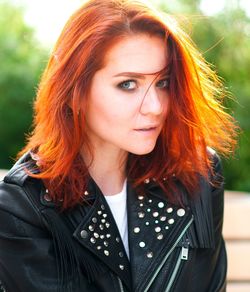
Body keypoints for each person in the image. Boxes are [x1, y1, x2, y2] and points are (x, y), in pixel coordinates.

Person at [0, 0, 238, 291]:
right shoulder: (22, 207)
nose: (155, 107)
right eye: (128, 84)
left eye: (163, 82)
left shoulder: (196, 175)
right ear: (76, 89)